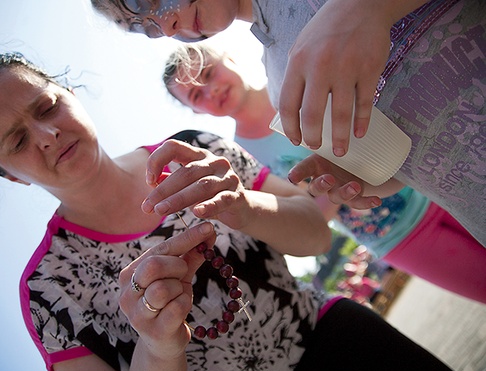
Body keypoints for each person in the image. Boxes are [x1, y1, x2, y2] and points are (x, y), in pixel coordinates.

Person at [1, 52, 476, 371]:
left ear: (69, 93)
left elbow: (314, 234)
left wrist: (243, 206)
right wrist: (158, 348)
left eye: (47, 106)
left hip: (335, 338)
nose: (46, 135)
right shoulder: (46, 289)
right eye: (16, 141)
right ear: (10, 176)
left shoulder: (195, 148)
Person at [89, 0, 486, 248]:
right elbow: (404, 167)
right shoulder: (283, 83)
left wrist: (367, 7)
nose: (166, 24)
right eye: (144, 26)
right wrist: (357, 177)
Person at [162, 42, 486, 304]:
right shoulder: (242, 160)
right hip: (398, 236)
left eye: (207, 73)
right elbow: (303, 217)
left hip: (431, 179)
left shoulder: (295, 79)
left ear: (229, 57)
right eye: (195, 94)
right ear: (195, 110)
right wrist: (327, 186)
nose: (209, 90)